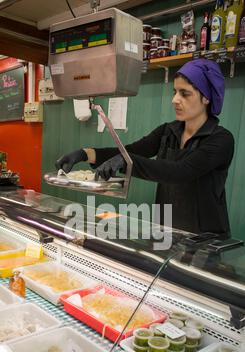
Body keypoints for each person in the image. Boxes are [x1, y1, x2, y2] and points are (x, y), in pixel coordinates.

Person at [55, 59, 234, 237]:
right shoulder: (168, 131)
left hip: (206, 239)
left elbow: (180, 172)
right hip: (166, 231)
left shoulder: (221, 140)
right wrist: (86, 154)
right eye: (175, 92)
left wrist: (125, 162)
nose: (175, 100)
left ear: (206, 98)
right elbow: (131, 151)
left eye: (184, 94)